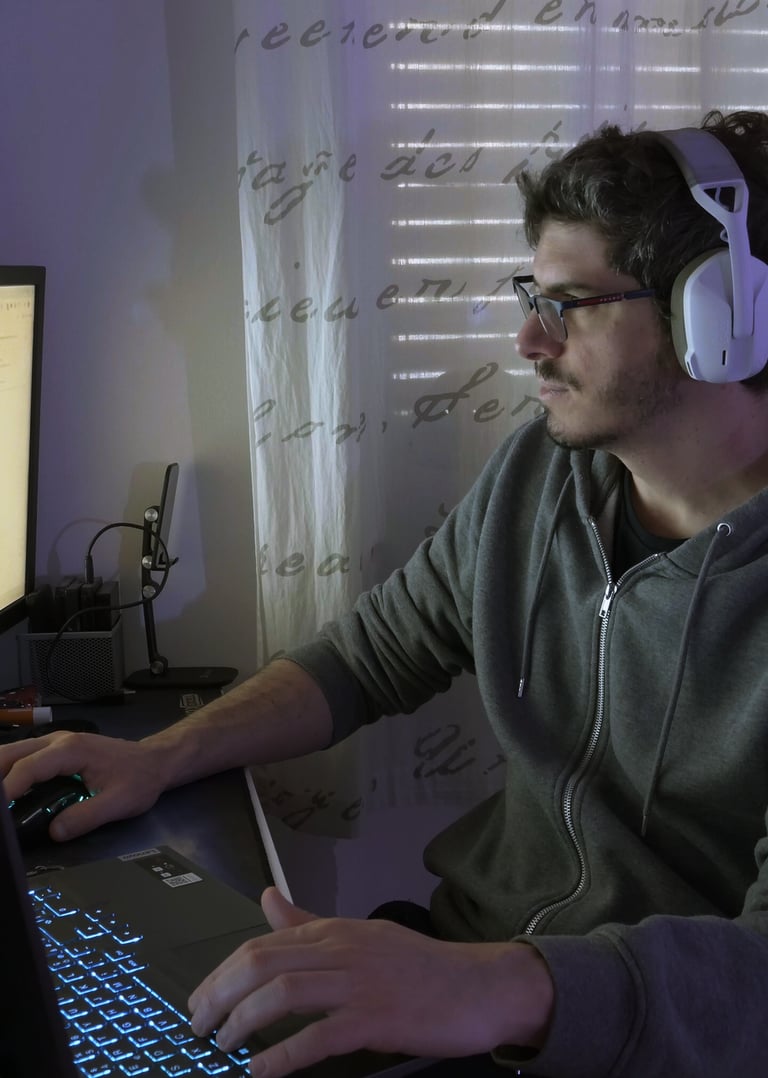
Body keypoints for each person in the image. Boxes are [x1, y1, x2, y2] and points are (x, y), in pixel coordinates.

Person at [4, 108, 768, 1078]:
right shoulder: (540, 472)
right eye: (532, 293)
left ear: (720, 317)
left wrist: (493, 987)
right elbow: (374, 653)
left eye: (569, 303)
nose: (530, 339)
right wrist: (157, 757)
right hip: (461, 976)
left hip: (641, 1042)